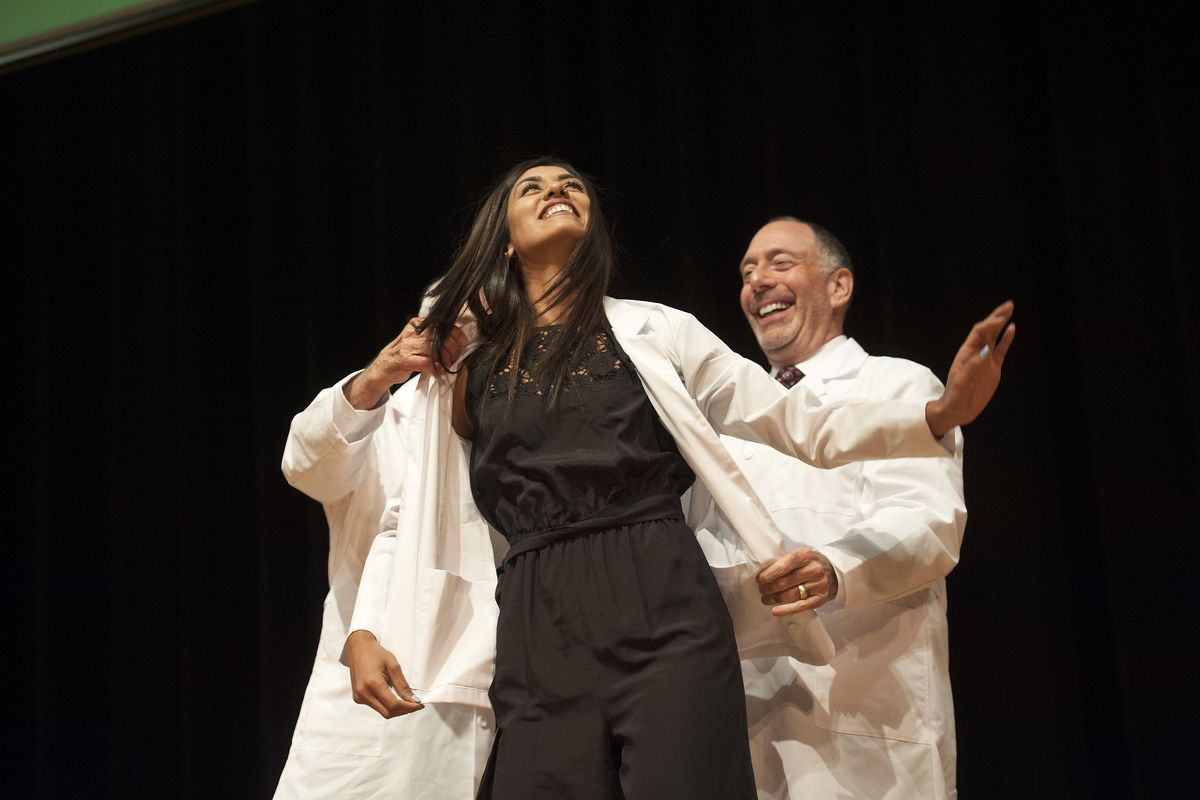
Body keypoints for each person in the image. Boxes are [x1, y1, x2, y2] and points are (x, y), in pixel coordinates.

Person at [332, 157, 1013, 800]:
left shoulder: (657, 329)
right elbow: (412, 511)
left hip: (662, 602)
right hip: (537, 622)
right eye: (530, 188)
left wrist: (940, 413)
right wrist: (365, 628)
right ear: (503, 239)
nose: (555, 190)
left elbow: (801, 424)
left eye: (571, 183)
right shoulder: (463, 364)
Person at [727, 217, 972, 798]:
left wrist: (835, 569)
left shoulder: (899, 387)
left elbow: (928, 521)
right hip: (748, 721)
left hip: (866, 719)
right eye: (747, 271)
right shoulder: (731, 418)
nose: (758, 280)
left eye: (780, 263)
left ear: (839, 287)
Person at [273, 296, 494, 799]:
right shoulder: (388, 416)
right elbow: (303, 465)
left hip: (495, 691)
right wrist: (376, 377)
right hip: (375, 692)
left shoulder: (524, 424)